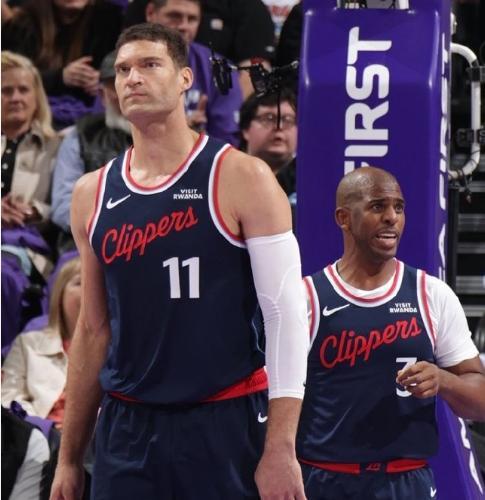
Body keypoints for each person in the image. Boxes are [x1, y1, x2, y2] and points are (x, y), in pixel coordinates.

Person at [50, 23, 309, 500]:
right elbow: (91, 329)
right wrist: (69, 458)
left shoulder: (243, 176)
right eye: (123, 69)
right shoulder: (92, 192)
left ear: (186, 78)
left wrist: (281, 445)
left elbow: (286, 315)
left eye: (149, 65)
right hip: (127, 425)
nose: (132, 78)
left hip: (224, 419)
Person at [297, 167, 485, 499]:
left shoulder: (431, 294)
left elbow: (480, 402)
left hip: (405, 482)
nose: (391, 217)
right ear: (343, 218)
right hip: (322, 479)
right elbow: (277, 398)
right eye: (377, 206)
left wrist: (443, 380)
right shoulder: (306, 297)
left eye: (399, 207)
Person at [51, 51, 132, 250]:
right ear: (102, 95)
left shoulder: (170, 138)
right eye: (116, 85)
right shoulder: (80, 136)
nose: (126, 93)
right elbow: (63, 207)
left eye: (132, 84)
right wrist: (113, 230)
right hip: (87, 245)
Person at [2, 0, 123, 128]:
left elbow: (123, 69)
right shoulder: (22, 24)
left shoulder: (110, 19)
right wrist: (61, 77)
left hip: (94, 120)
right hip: (37, 117)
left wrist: (102, 80)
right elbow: (9, 77)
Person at [145, 0, 243, 145]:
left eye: (192, 19)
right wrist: (177, 131)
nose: (183, 26)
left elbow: (227, 140)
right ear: (151, 13)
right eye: (174, 16)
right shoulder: (125, 63)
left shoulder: (219, 69)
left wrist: (197, 140)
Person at [2, 257, 81, 429]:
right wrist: (44, 427)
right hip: (40, 435)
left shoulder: (117, 349)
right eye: (80, 283)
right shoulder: (27, 343)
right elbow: (8, 397)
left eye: (96, 284)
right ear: (60, 294)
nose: (90, 291)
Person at [239, 88, 297, 178]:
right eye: (269, 118)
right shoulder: (228, 175)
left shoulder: (309, 179)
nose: (279, 126)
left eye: (288, 120)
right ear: (246, 129)